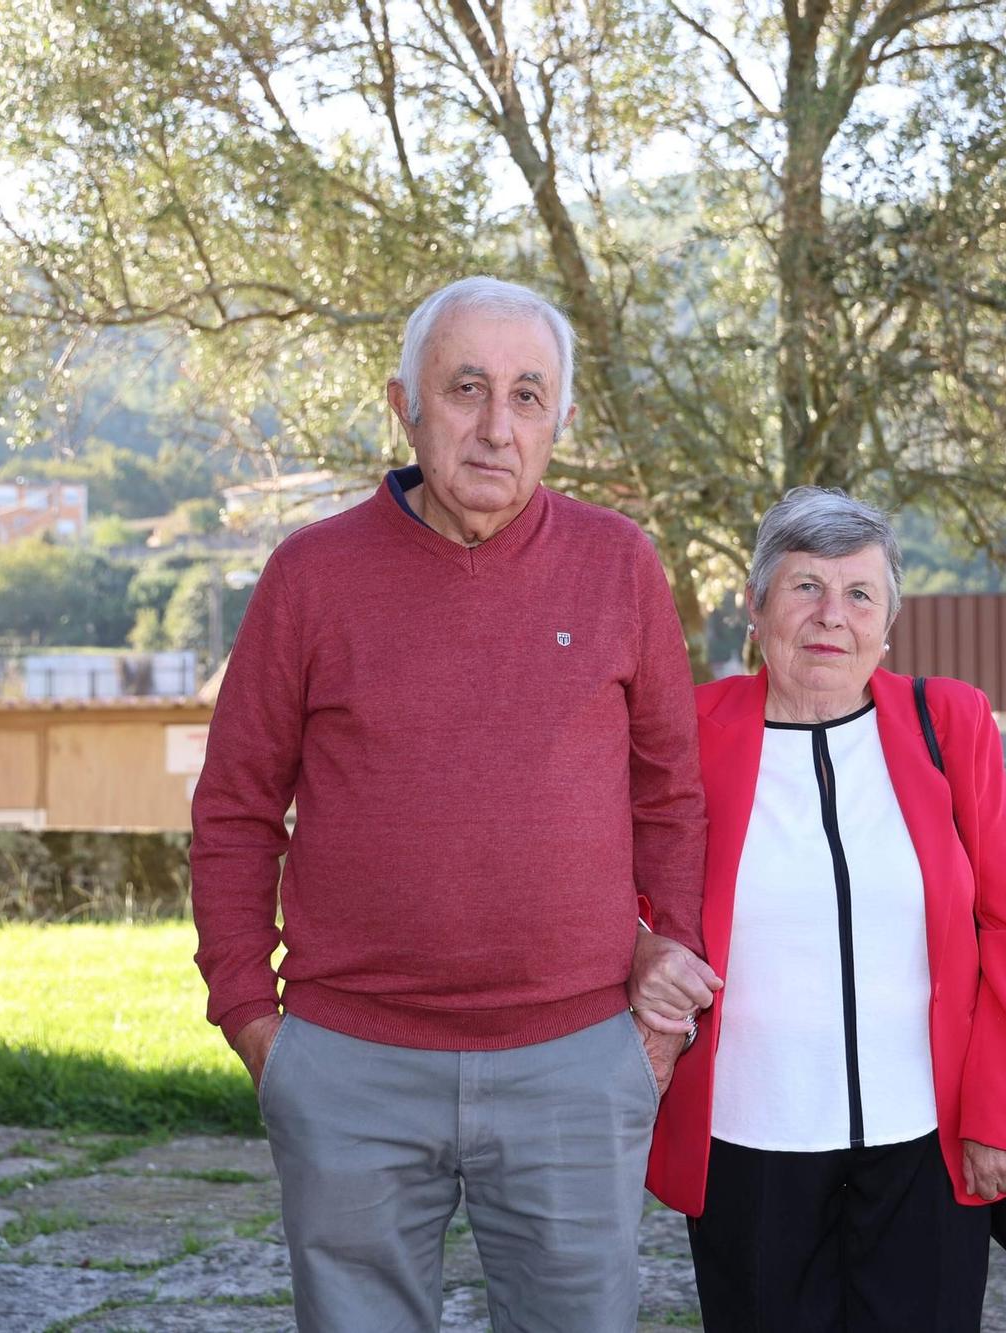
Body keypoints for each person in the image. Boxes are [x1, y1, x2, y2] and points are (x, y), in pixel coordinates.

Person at [190, 276, 719, 1332]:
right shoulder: (310, 576)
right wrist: (255, 1022)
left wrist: (656, 1022)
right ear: (405, 404)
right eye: (465, 388)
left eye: (527, 396)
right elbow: (237, 811)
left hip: (576, 1062)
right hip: (350, 1065)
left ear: (561, 421)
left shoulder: (618, 563)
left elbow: (669, 795)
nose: (495, 427)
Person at [641, 487, 1006, 1332]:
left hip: (926, 1142)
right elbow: (619, 887)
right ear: (756, 606)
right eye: (805, 586)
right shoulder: (686, 732)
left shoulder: (950, 722)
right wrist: (640, 947)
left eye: (860, 593)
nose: (832, 615)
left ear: (888, 621)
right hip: (749, 1142)